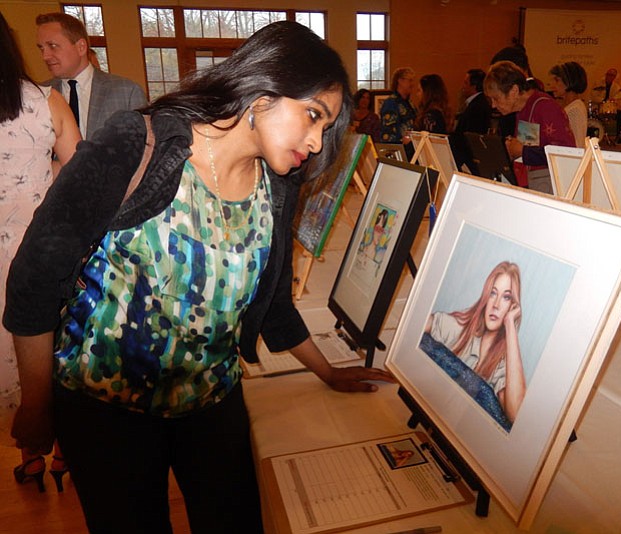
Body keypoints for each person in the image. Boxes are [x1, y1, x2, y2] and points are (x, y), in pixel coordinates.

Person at [4, 21, 394, 533]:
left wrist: (328, 372)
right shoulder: (137, 141)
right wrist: (38, 404)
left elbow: (274, 304)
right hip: (105, 412)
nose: (317, 142)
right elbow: (35, 276)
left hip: (211, 401)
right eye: (313, 116)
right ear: (263, 91)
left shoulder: (279, 185)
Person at [0, 11, 81, 493]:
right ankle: (62, 452)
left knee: (12, 364)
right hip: (40, 253)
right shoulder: (43, 101)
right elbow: (77, 176)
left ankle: (29, 457)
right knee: (52, 355)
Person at [424, 261, 525, 422]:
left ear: (513, 306)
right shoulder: (460, 328)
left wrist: (510, 325)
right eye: (493, 293)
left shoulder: (503, 363)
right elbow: (415, 324)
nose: (496, 305)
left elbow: (517, 414)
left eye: (506, 297)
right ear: (485, 297)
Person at [36, 12, 147, 139]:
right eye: (42, 48)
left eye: (53, 46)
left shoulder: (127, 93)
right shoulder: (38, 95)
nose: (45, 56)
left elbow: (145, 151)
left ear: (81, 47)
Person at [484, 60, 576, 192]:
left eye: (496, 98)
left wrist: (522, 151)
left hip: (550, 188)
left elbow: (567, 153)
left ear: (514, 91)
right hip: (532, 184)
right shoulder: (524, 108)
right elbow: (530, 147)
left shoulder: (545, 107)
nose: (493, 105)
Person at [489, 45, 543, 138]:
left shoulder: (532, 99)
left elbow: (527, 142)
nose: (493, 105)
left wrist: (519, 148)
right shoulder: (528, 95)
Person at [451, 68, 492, 172]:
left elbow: (470, 135)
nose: (462, 86)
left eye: (465, 83)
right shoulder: (475, 104)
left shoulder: (477, 106)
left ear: (474, 86)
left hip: (470, 159)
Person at [380, 67, 417, 159]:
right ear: (400, 81)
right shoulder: (391, 103)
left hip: (412, 151)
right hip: (399, 152)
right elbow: (388, 133)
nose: (412, 84)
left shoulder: (410, 104)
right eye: (410, 80)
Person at [549, 61, 588, 148]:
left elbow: (577, 144)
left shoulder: (574, 110)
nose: (552, 85)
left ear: (568, 82)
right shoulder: (573, 106)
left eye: (557, 80)